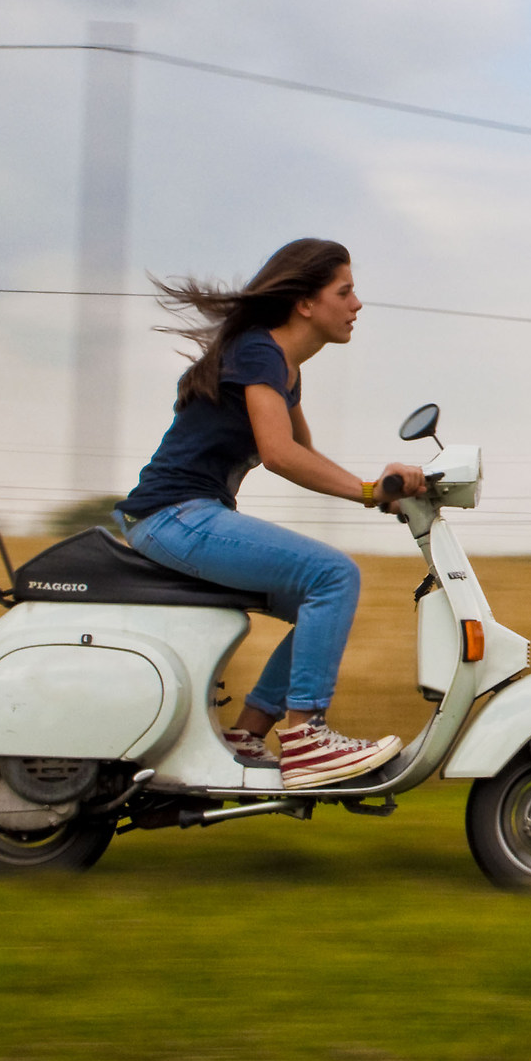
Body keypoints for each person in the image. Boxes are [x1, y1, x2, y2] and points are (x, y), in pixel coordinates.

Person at [113, 238, 427, 789]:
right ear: (305, 303)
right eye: (345, 291)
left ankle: (250, 732)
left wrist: (383, 488)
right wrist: (371, 490)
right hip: (173, 515)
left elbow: (304, 454)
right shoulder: (260, 352)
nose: (357, 304)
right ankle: (306, 737)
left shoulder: (282, 367)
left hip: (181, 516)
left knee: (323, 593)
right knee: (332, 575)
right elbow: (280, 454)